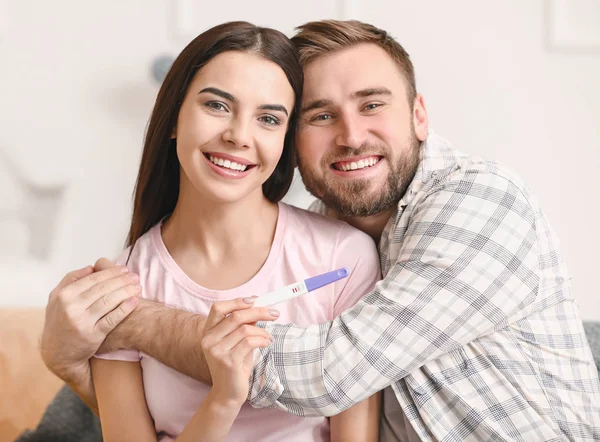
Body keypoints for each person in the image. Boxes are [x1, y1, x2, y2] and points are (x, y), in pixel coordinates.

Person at [31, 19, 599, 442]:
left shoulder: (476, 202)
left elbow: (332, 372)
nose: (351, 136)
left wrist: (126, 325)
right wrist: (74, 362)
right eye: (321, 116)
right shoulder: (337, 232)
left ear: (419, 116)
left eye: (372, 104)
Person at [51, 21, 382, 442]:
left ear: (285, 141)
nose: (239, 136)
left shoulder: (343, 258)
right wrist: (224, 398)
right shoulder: (123, 286)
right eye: (217, 106)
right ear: (173, 118)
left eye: (267, 118)